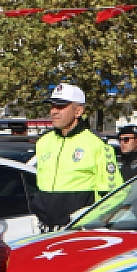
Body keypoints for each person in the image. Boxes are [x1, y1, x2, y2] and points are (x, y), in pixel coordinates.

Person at [33, 83, 121, 231]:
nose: (54, 111)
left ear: (78, 111)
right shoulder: (43, 142)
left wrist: (96, 223)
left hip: (80, 229)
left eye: (61, 106)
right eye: (52, 106)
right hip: (46, 229)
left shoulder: (96, 144)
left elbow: (113, 193)